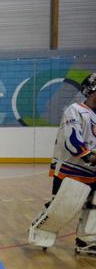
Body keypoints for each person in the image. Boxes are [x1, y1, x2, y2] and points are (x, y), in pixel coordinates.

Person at [28, 72, 96, 255]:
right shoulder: (75, 110)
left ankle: (87, 241)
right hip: (70, 169)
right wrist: (90, 157)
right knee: (61, 207)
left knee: (93, 207)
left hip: (92, 172)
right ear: (92, 90)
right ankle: (40, 231)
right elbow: (72, 141)